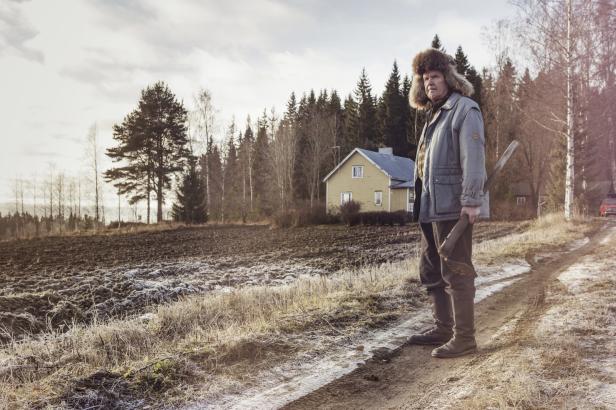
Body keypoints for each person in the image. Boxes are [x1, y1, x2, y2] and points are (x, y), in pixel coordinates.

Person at [406, 48, 487, 358]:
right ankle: (443, 327)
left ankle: (465, 338)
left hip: (454, 207)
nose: (430, 83)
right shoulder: (434, 115)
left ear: (449, 78)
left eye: (435, 76)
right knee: (431, 269)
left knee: (457, 270)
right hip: (430, 207)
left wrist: (471, 201)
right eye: (425, 78)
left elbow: (473, 158)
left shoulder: (464, 110)